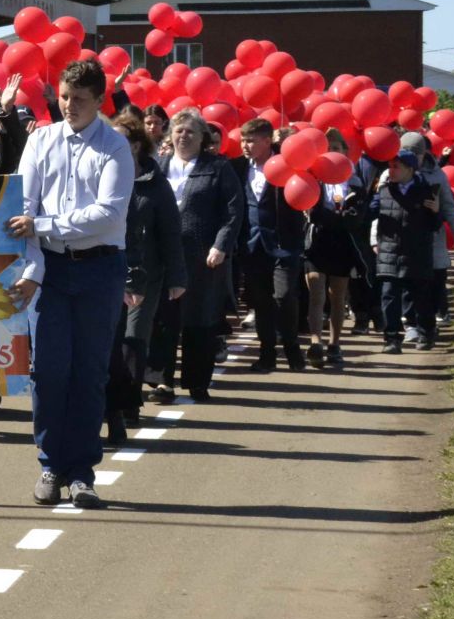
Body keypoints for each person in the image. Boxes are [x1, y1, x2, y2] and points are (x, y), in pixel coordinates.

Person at [8, 57, 133, 510]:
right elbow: (23, 212)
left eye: (79, 100)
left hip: (101, 269)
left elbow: (109, 214)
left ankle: (82, 471)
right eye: (63, 97)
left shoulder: (115, 147)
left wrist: (44, 224)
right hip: (54, 271)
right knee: (48, 371)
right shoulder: (40, 141)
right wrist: (33, 272)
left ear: (100, 100)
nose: (69, 106)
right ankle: (50, 462)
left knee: (89, 372)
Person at [148, 108, 244, 404]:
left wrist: (221, 246)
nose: (184, 136)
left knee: (199, 320)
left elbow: (233, 210)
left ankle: (198, 382)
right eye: (178, 131)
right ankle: (163, 382)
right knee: (164, 319)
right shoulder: (158, 166)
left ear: (202, 137)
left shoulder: (217, 168)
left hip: (202, 256)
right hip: (163, 255)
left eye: (191, 131)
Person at [107, 112, 187, 441]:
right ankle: (116, 403)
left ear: (136, 145)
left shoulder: (156, 184)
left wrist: (177, 277)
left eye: (120, 139)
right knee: (111, 339)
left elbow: (170, 232)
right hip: (109, 269)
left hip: (147, 274)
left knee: (134, 336)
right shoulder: (102, 176)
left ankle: (129, 404)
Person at [238, 119, 308, 373]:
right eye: (243, 140)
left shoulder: (289, 165)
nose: (245, 146)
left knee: (285, 295)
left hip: (284, 244)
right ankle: (266, 353)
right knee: (262, 302)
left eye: (251, 141)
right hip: (252, 245)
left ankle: (292, 348)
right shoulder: (238, 167)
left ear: (268, 141)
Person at [303, 128, 366, 370]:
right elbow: (311, 212)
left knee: (337, 295)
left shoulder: (354, 182)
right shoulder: (313, 180)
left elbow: (352, 218)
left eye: (336, 149)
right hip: (317, 242)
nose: (332, 154)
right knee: (316, 292)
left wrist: (325, 216)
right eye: (327, 150)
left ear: (345, 153)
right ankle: (315, 342)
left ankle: (335, 343)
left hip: (343, 243)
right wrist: (324, 216)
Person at [400, 132, 454, 349]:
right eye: (405, 153)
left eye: (414, 154)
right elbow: (383, 206)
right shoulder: (394, 172)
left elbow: (448, 205)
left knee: (432, 284)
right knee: (407, 284)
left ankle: (427, 327)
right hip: (404, 239)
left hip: (432, 238)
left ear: (424, 154)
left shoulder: (436, 175)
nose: (410, 158)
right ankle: (411, 325)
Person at [370, 150, 439, 355]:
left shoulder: (426, 191)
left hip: (417, 254)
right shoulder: (383, 191)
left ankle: (426, 333)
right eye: (389, 166)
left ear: (410, 169)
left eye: (396, 166)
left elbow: (434, 226)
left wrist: (436, 211)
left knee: (420, 298)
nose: (391, 170)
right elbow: (369, 215)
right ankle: (392, 339)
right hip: (389, 253)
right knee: (389, 297)